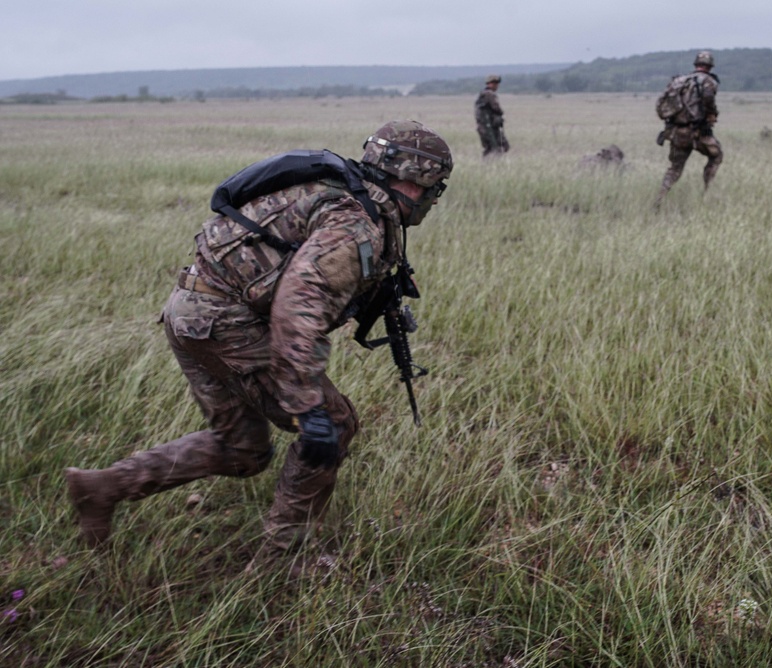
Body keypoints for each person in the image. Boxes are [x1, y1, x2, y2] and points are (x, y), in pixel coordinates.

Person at [64, 120, 453, 569]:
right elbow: (296, 310)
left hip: (191, 312)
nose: (434, 199)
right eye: (435, 187)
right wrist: (306, 405)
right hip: (224, 323)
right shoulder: (355, 224)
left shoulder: (343, 194)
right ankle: (282, 562)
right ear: (414, 179)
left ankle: (102, 488)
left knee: (243, 449)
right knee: (333, 423)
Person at [654, 51, 723, 208]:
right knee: (716, 156)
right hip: (698, 132)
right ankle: (708, 192)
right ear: (710, 66)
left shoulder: (679, 81)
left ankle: (659, 198)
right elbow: (708, 101)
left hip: (677, 132)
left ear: (696, 65)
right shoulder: (708, 81)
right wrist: (711, 115)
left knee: (675, 168)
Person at [475, 74, 509, 157]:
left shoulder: (482, 95)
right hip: (490, 128)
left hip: (484, 127)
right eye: (494, 83)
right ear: (489, 84)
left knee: (489, 148)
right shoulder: (490, 95)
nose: (496, 86)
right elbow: (497, 109)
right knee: (498, 147)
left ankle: (487, 164)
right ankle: (493, 164)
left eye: (497, 84)